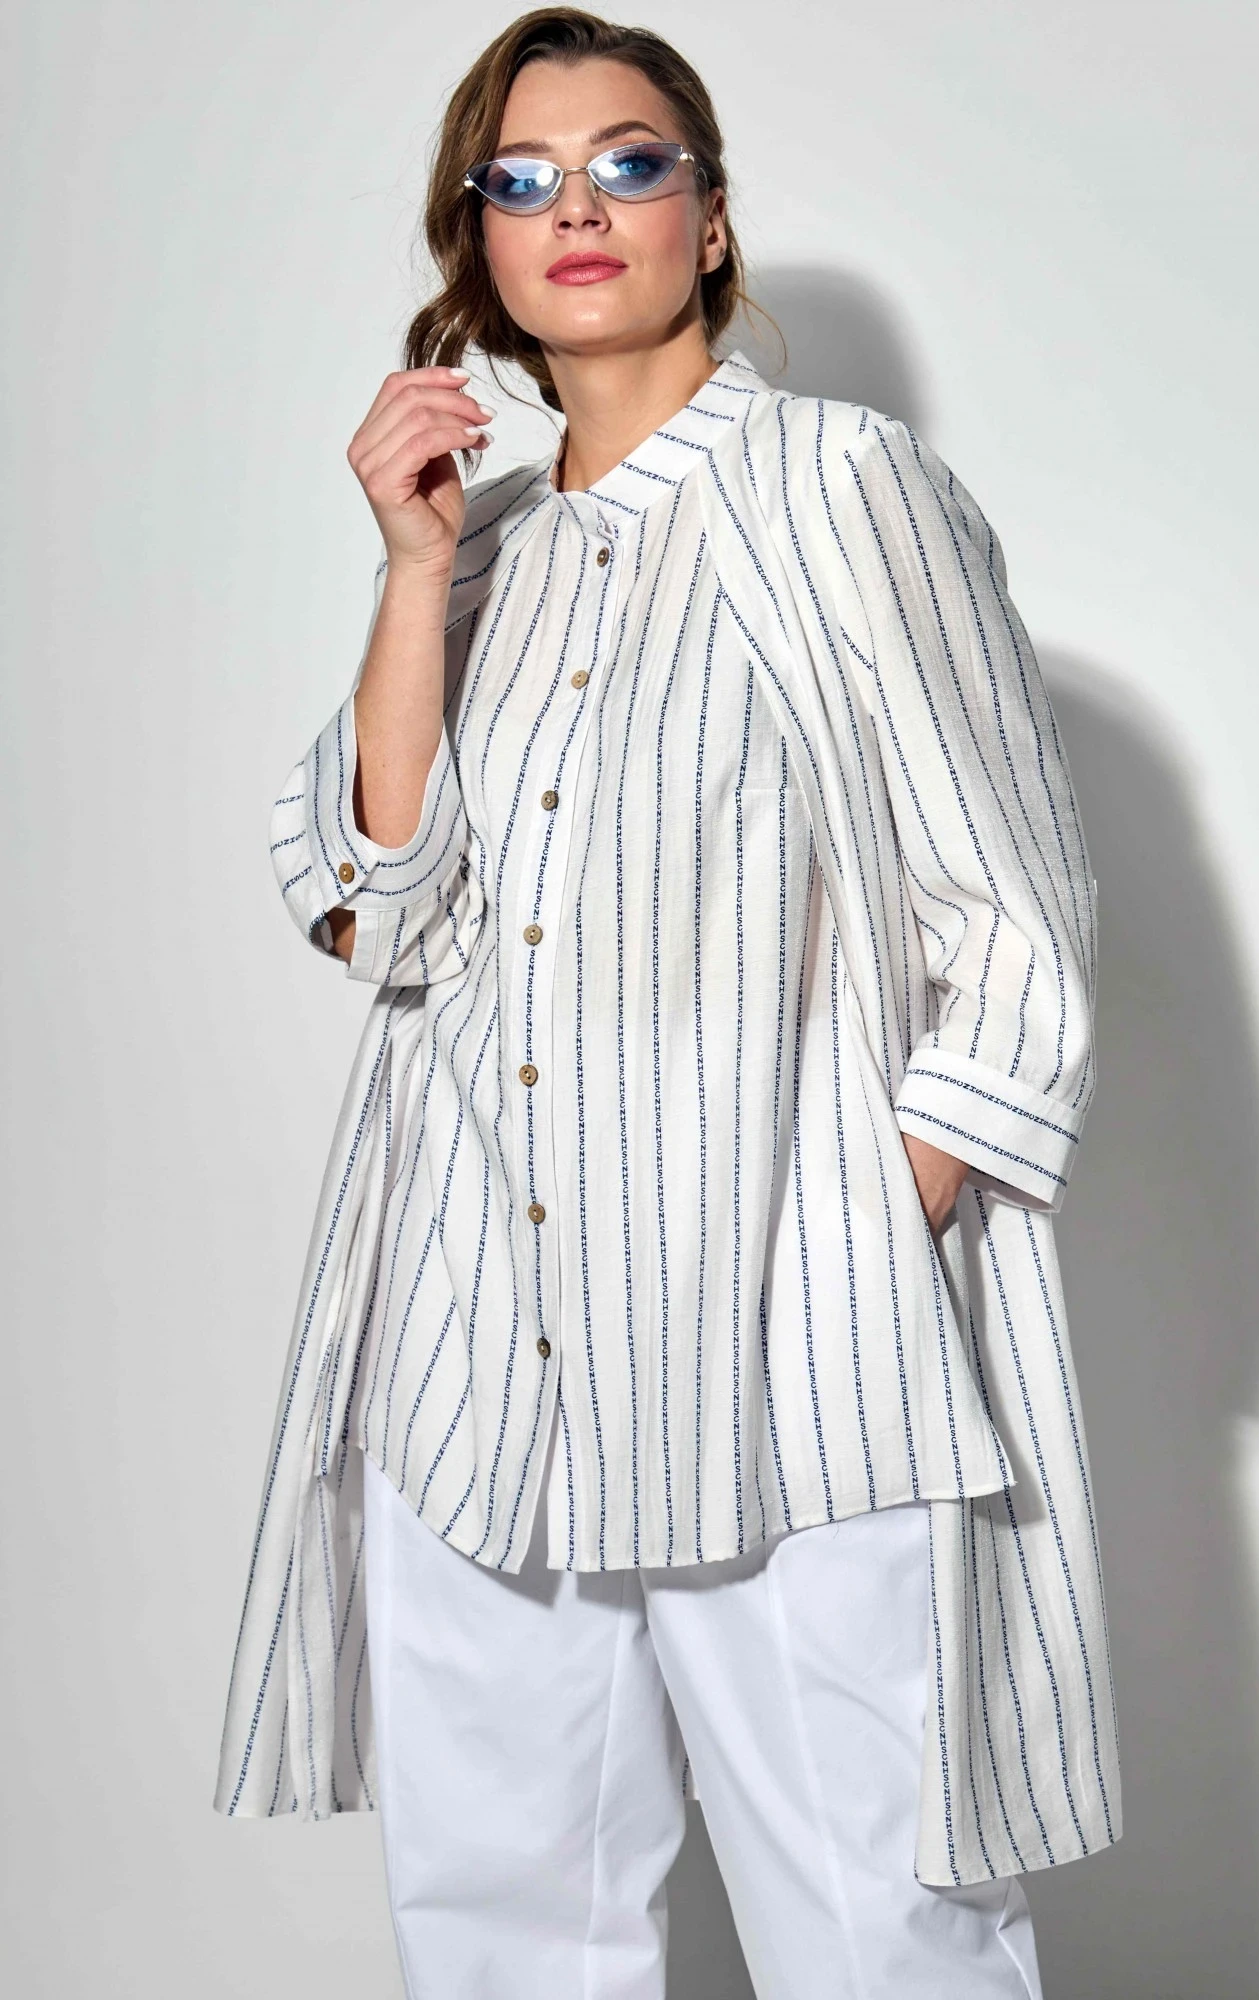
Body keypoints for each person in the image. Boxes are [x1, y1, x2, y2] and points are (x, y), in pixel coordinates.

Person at [214, 9, 1120, 1996]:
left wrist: (871, 1227)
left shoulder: (843, 488)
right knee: (503, 1932)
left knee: (884, 1929)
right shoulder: (486, 559)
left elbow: (1012, 921)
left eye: (630, 162)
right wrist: (408, 571)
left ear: (709, 219)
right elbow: (375, 914)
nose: (580, 207)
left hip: (784, 1357)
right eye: (522, 180)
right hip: (472, 1353)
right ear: (478, 245)